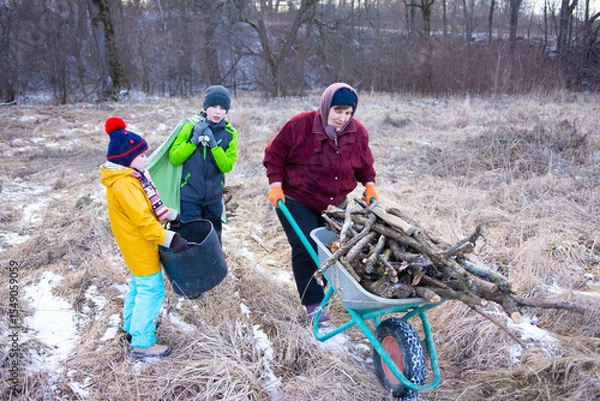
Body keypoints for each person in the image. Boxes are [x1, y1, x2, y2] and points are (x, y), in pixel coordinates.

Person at [263, 82, 378, 323]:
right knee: (306, 247)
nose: (342, 118)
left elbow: (365, 164)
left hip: (335, 202)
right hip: (297, 197)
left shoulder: (357, 132)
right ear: (326, 106)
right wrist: (275, 184)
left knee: (332, 249)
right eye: (338, 111)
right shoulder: (300, 125)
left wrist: (369, 184)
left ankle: (323, 289)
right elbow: (275, 155)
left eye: (348, 113)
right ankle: (314, 304)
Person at [100, 117, 188, 359]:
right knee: (152, 290)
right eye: (142, 156)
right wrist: (169, 238)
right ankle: (142, 342)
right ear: (127, 159)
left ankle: (132, 326)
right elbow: (144, 222)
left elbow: (146, 209)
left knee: (139, 287)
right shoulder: (125, 186)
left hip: (134, 245)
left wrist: (171, 214)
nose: (146, 159)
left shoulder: (129, 180)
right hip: (140, 245)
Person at [164, 85, 239, 243]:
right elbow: (175, 157)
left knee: (213, 239)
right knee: (191, 239)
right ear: (206, 107)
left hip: (214, 198)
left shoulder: (230, 133)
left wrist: (213, 145)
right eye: (213, 107)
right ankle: (191, 267)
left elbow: (226, 166)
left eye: (222, 108)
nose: (217, 112)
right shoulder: (190, 126)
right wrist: (193, 141)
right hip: (190, 196)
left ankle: (214, 267)